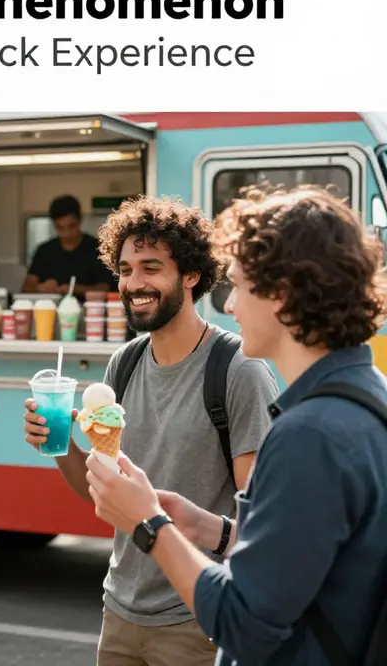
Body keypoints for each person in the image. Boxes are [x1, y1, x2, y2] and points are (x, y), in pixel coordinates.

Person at [85, 185, 387, 665]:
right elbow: (300, 548)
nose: (229, 306)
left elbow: (244, 623)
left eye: (241, 285)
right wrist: (209, 528)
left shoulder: (311, 433)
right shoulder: (365, 397)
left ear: (282, 295)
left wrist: (151, 525)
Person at [23, 196, 277, 666]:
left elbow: (260, 522)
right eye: (124, 269)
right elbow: (102, 495)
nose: (133, 284)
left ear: (191, 275)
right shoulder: (125, 362)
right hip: (119, 610)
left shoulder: (239, 369)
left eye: (150, 267)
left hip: (197, 618)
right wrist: (58, 445)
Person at [21, 194, 115, 298]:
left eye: (71, 226)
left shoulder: (99, 249)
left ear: (80, 220)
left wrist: (74, 289)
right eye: (60, 228)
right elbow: (26, 287)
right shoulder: (44, 251)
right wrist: (41, 288)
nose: (67, 233)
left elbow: (106, 288)